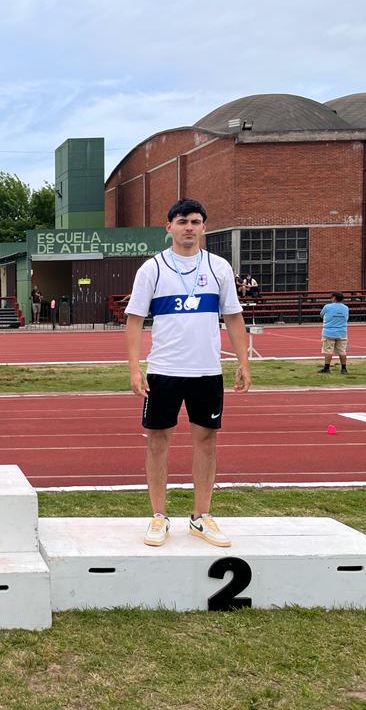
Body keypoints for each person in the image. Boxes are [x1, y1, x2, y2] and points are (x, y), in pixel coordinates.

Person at [125, 198, 251, 548]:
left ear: (204, 227)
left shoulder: (219, 268)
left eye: (195, 222)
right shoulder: (152, 269)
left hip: (207, 371)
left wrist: (243, 361)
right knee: (158, 441)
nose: (189, 228)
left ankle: (200, 516)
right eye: (182, 222)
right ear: (169, 227)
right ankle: (159, 516)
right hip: (164, 370)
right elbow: (134, 321)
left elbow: (234, 318)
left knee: (206, 441)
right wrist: (135, 369)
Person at [319, 292, 349, 374]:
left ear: (334, 298)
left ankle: (326, 368)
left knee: (328, 350)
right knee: (342, 351)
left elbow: (321, 315)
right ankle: (344, 368)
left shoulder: (327, 306)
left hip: (329, 332)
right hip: (342, 332)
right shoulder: (346, 308)